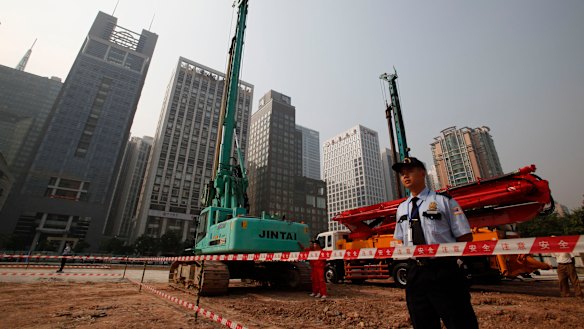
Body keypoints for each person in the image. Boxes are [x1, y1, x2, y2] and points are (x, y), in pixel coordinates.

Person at [392, 156, 478, 329]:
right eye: (402, 173)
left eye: (410, 171)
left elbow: (464, 236)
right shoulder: (402, 208)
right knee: (422, 321)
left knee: (459, 321)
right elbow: (399, 239)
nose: (405, 176)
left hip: (444, 271)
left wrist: (453, 259)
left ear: (422, 173)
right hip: (415, 273)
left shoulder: (444, 201)